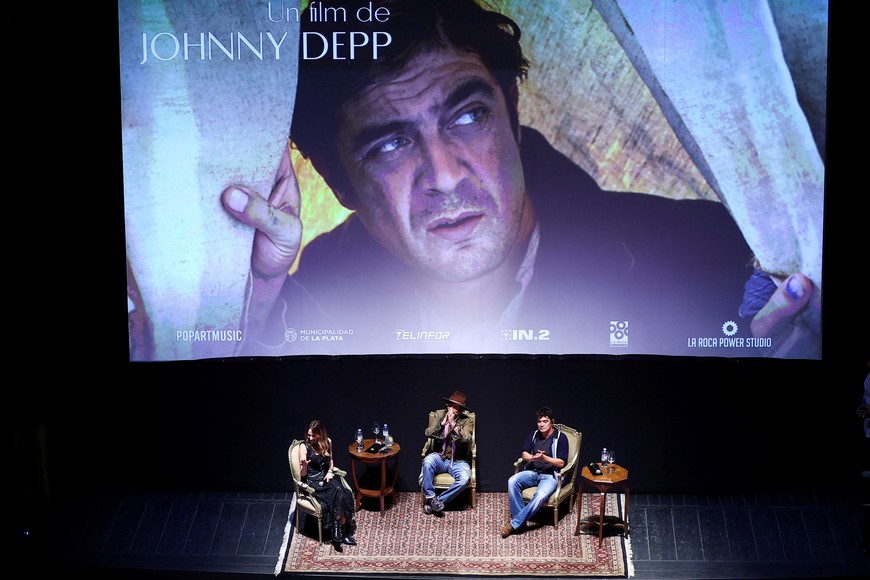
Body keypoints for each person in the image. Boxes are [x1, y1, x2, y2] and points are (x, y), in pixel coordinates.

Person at [220, 0, 820, 358]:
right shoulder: (314, 296)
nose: (446, 176)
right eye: (390, 143)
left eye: (468, 115)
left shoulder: (716, 257)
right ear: (338, 184)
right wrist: (250, 307)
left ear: (511, 112)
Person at [502, 406, 569, 537]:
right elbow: (524, 454)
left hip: (550, 476)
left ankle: (515, 524)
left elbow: (561, 462)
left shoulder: (561, 438)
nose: (542, 424)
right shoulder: (533, 434)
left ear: (552, 422)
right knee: (512, 481)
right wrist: (533, 458)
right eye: (539, 421)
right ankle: (520, 523)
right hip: (533, 472)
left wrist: (545, 458)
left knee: (540, 496)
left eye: (545, 421)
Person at [298, 419, 357, 550]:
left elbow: (331, 461)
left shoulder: (327, 442)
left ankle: (338, 532)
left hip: (326, 479)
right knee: (339, 492)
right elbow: (303, 475)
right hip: (313, 483)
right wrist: (303, 466)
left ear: (320, 434)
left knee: (342, 492)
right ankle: (341, 532)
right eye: (309, 435)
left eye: (313, 435)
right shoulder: (304, 446)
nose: (310, 438)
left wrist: (330, 471)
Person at [419, 390, 474, 514]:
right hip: (440, 457)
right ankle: (430, 496)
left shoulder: (467, 420)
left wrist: (454, 425)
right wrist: (442, 424)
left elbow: (466, 438)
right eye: (449, 405)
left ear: (460, 410)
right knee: (427, 462)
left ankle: (436, 501)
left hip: (458, 461)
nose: (451, 409)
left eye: (455, 407)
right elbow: (428, 433)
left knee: (464, 479)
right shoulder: (438, 415)